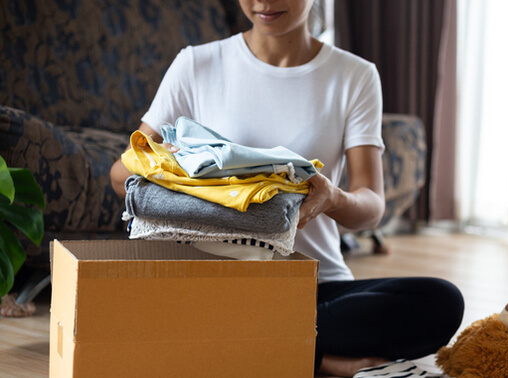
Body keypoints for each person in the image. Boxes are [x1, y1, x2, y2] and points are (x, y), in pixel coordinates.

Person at [110, 0, 464, 376]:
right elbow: (121, 174)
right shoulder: (196, 64)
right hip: (217, 287)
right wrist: (177, 167)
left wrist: (332, 197)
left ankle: (245, 348)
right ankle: (319, 360)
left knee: (441, 301)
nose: (263, 3)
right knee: (184, 307)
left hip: (313, 289)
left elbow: (372, 204)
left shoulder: (354, 76)